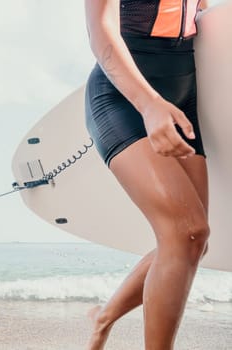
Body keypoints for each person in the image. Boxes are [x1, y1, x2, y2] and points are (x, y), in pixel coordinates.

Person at [84, 0, 210, 349]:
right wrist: (148, 104)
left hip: (183, 92)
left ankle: (103, 318)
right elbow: (100, 30)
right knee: (186, 232)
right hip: (124, 96)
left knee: (192, 241)